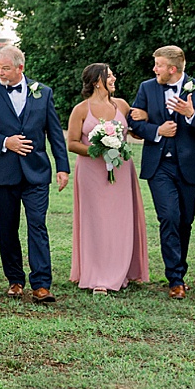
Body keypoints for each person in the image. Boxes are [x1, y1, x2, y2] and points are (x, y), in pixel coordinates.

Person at [0, 45, 71, 303]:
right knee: (7, 227)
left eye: (6, 68)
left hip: (37, 172)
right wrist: (4, 141)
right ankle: (15, 280)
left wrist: (63, 167)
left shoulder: (43, 93)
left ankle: (41, 284)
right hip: (2, 173)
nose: (0, 72)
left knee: (37, 225)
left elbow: (55, 133)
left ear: (20, 68)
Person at [127, 45, 195, 300]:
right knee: (168, 216)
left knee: (185, 220)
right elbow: (133, 120)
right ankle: (175, 279)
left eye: (158, 65)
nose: (154, 69)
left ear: (172, 68)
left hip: (189, 165)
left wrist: (191, 114)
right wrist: (157, 130)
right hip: (159, 166)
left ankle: (180, 270)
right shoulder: (147, 88)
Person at [65, 63, 150, 294]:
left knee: (120, 221)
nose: (113, 78)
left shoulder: (121, 104)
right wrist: (98, 150)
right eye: (109, 75)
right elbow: (72, 143)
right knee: (97, 222)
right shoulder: (81, 110)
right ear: (97, 81)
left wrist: (145, 117)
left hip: (121, 171)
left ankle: (122, 270)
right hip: (92, 173)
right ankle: (98, 275)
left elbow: (135, 130)